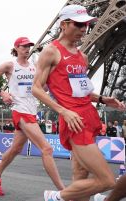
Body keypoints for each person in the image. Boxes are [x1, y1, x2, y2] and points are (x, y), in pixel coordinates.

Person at [32, 4, 126, 201]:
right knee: (107, 180)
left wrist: (102, 99)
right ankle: (56, 197)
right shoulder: (51, 51)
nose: (84, 29)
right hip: (74, 120)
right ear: (64, 24)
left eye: (87, 25)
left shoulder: (82, 56)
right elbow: (36, 88)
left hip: (89, 115)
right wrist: (63, 111)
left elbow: (80, 91)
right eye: (79, 24)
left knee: (81, 175)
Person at [0, 36, 65, 196]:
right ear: (16, 48)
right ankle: (64, 193)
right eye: (23, 46)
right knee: (47, 148)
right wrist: (2, 93)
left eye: (29, 46)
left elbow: (40, 87)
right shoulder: (10, 65)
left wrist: (48, 85)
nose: (27, 49)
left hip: (32, 110)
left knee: (16, 148)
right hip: (19, 110)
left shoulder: (34, 67)